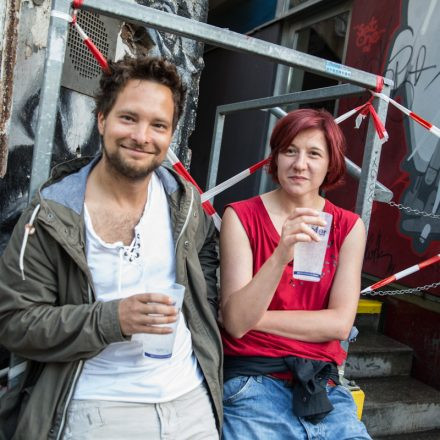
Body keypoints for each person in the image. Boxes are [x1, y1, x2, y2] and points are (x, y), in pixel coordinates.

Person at [0, 56, 222, 440]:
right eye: (128, 118)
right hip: (97, 406)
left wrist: (204, 302)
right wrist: (111, 320)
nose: (142, 136)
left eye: (158, 125)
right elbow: (16, 324)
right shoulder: (53, 214)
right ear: (102, 119)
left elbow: (205, 252)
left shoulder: (182, 202)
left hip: (191, 400)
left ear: (171, 135)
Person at [219, 108, 371, 439]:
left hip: (322, 388)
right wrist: (281, 253)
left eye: (313, 153)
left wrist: (255, 320)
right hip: (252, 381)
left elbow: (339, 324)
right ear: (276, 156)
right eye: (290, 150)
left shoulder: (347, 227)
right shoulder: (241, 217)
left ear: (331, 163)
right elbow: (235, 322)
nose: (300, 164)